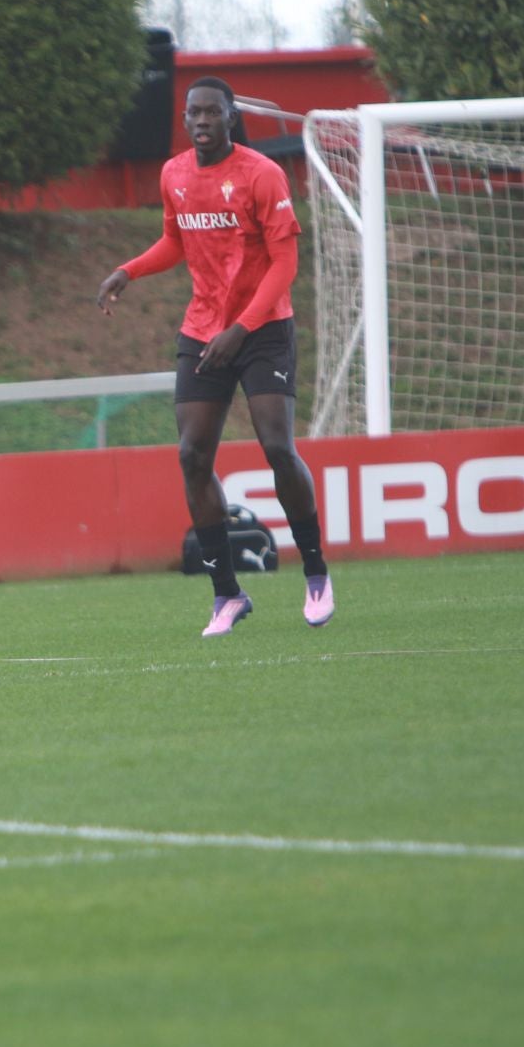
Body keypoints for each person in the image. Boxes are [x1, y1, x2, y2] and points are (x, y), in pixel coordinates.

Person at [96, 76, 334, 637]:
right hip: (204, 328)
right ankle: (227, 593)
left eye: (212, 112)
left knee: (277, 446)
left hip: (263, 328)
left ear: (230, 117)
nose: (202, 120)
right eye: (193, 113)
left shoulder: (262, 174)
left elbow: (285, 264)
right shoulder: (174, 174)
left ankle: (316, 571)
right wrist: (129, 270)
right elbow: (175, 242)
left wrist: (242, 327)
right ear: (185, 121)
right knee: (192, 455)